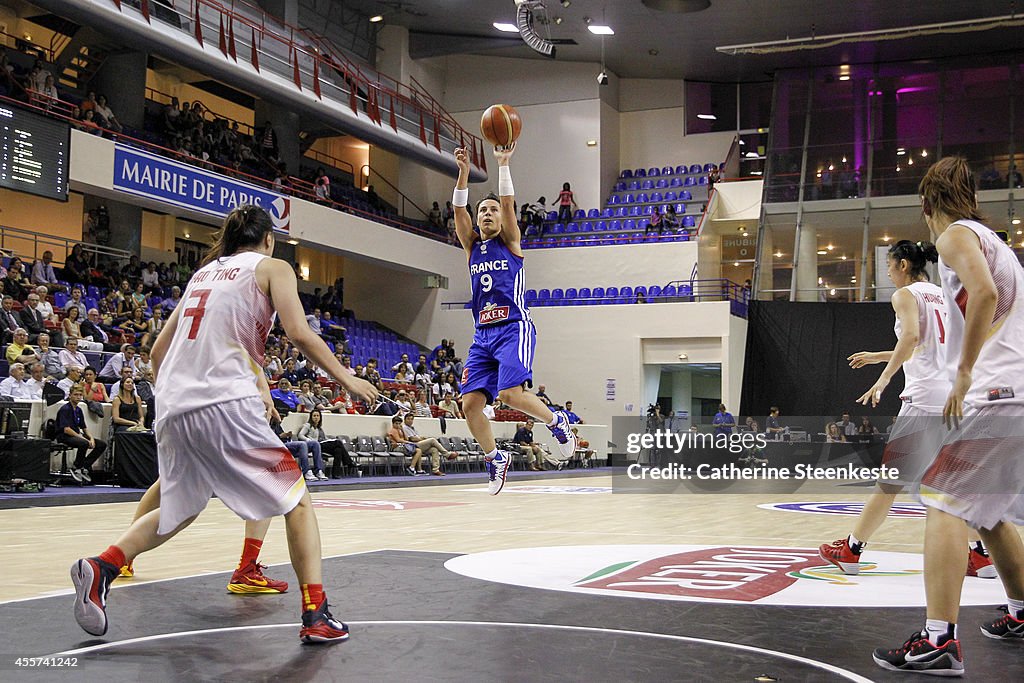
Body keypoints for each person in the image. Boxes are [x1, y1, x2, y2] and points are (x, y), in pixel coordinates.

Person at [69, 204, 378, 644]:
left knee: (183, 506)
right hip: (224, 404)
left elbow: (158, 351)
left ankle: (102, 568)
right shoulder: (273, 267)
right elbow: (299, 332)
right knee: (296, 499)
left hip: (173, 405)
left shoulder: (204, 274)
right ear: (267, 239)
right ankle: (316, 613)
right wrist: (347, 378)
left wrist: (182, 396)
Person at [872, 158, 1024, 675]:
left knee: (943, 500)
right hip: (1015, 392)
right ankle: (1023, 614)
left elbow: (983, 293)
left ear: (926, 203)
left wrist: (964, 372)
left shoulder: (955, 237)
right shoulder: (997, 242)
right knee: (989, 514)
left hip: (994, 393)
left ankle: (939, 641)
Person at [821, 240, 992, 583]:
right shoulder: (943, 296)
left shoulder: (904, 295)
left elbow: (912, 337)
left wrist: (882, 380)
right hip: (952, 396)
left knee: (889, 481)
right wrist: (879, 356)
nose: (887, 272)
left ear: (902, 264)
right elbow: (930, 345)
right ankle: (981, 555)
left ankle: (852, 550)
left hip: (923, 398)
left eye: (888, 266)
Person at [452, 144, 576, 494]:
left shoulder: (510, 242)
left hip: (513, 328)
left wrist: (503, 165)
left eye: (493, 209)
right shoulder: (471, 246)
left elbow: (508, 204)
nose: (488, 213)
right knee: (470, 405)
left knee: (509, 395)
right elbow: (458, 208)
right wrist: (463, 173)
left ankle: (558, 422)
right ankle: (495, 459)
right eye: (483, 211)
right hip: (482, 335)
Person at [57, 383, 107, 483]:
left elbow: (84, 427)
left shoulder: (79, 410)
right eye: (75, 394)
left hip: (76, 434)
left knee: (101, 444)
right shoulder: (65, 409)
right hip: (65, 436)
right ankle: (77, 467)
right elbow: (66, 429)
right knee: (83, 443)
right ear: (70, 395)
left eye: (80, 395)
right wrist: (82, 438)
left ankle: (85, 466)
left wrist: (91, 438)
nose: (78, 397)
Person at [299, 409, 357, 478]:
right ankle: (349, 462)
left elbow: (325, 438)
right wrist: (308, 440)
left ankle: (336, 474)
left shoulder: (319, 428)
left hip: (322, 444)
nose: (316, 417)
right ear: (311, 417)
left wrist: (330, 441)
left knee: (338, 450)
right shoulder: (308, 425)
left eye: (318, 416)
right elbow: (300, 435)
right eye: (314, 416)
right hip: (316, 445)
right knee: (338, 442)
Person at [400, 412, 451, 477]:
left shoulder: (412, 428)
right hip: (412, 445)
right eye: (408, 419)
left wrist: (423, 438)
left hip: (419, 445)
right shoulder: (404, 427)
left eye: (411, 419)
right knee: (432, 440)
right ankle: (447, 454)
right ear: (404, 420)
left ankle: (436, 470)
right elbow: (412, 439)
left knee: (434, 449)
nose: (410, 421)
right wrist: (423, 440)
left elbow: (418, 437)